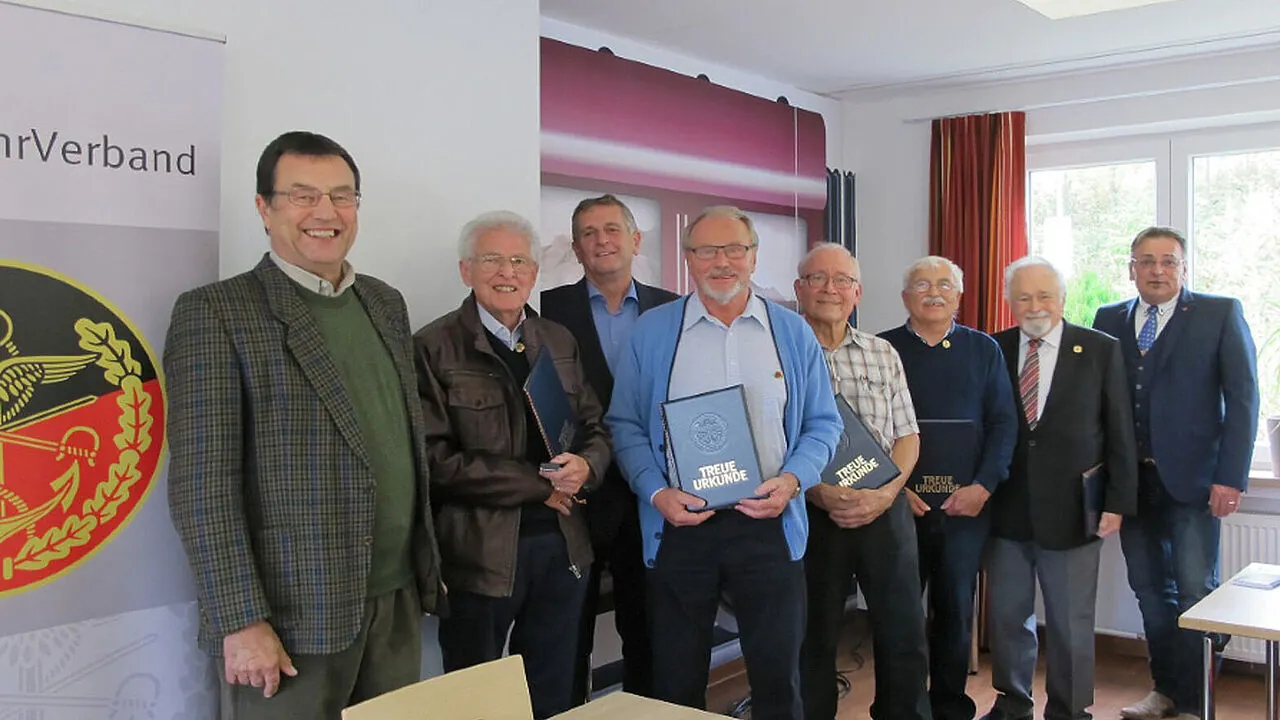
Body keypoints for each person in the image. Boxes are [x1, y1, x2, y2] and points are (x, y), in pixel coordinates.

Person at [165, 130, 443, 719]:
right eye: (302, 195)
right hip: (291, 618)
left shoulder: (383, 302)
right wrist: (241, 618)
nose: (326, 213)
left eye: (342, 197)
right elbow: (202, 488)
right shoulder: (216, 312)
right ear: (264, 208)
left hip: (394, 597)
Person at [606, 206, 841, 719]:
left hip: (771, 524)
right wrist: (655, 492)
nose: (722, 262)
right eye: (706, 250)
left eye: (734, 249)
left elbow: (824, 425)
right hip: (680, 526)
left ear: (754, 257)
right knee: (676, 680)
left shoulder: (793, 333)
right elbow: (623, 424)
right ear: (687, 258)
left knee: (780, 680)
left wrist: (793, 481)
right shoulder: (653, 332)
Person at [414, 210, 612, 719]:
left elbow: (596, 427)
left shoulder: (558, 340)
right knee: (474, 698)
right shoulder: (432, 347)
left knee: (553, 689)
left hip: (564, 545)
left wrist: (586, 466)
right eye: (491, 259)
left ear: (534, 272)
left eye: (519, 260)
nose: (507, 272)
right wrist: (537, 485)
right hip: (480, 556)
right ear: (466, 270)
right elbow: (434, 460)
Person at [1093, 226, 1259, 720]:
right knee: (1149, 592)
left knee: (1195, 591)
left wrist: (1231, 476)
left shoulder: (1218, 312)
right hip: (1132, 485)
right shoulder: (1109, 319)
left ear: (1184, 268)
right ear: (1132, 269)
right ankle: (1165, 690)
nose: (1157, 270)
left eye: (1168, 261)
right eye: (1147, 261)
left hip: (1195, 481)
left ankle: (1195, 701)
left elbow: (1245, 399)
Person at [983, 256, 1137, 720]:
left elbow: (1120, 431)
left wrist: (1118, 502)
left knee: (1071, 623)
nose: (1035, 305)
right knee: (1008, 618)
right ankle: (1013, 703)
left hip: (1075, 511)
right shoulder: (992, 348)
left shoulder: (1099, 349)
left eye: (1045, 295)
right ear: (1009, 302)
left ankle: (1071, 710)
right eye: (1024, 296)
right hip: (1007, 509)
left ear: (1063, 299)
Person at [540, 194, 678, 702]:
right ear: (576, 248)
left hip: (653, 493)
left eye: (613, 229)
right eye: (589, 233)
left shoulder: (674, 309)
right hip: (578, 495)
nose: (602, 241)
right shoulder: (547, 310)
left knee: (648, 630)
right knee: (567, 632)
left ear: (635, 240)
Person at [793, 243, 932, 720]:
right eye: (817, 278)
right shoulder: (780, 354)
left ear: (858, 292)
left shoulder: (882, 352)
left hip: (884, 506)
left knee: (904, 630)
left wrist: (887, 494)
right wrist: (815, 489)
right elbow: (768, 440)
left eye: (841, 280)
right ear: (799, 290)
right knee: (812, 634)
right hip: (810, 510)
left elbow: (908, 435)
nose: (830, 289)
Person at [880, 256, 1018, 720]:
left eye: (945, 285)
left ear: (959, 297)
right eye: (921, 284)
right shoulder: (882, 350)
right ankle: (899, 707)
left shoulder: (984, 350)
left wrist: (983, 486)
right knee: (897, 614)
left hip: (966, 509)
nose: (933, 292)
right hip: (898, 507)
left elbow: (1003, 424)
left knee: (955, 611)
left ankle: (950, 708)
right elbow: (862, 429)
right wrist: (892, 489)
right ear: (905, 297)